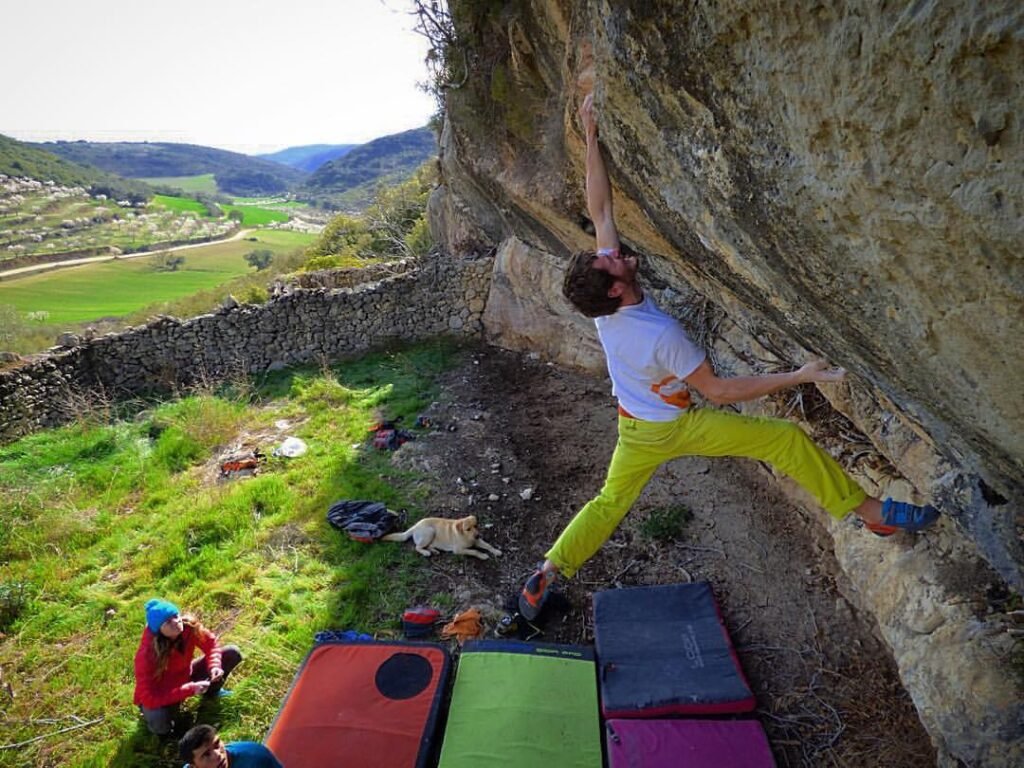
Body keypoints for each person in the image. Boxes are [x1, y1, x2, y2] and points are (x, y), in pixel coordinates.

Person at [519, 93, 939, 620]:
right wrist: (799, 375)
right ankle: (872, 513)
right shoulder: (660, 334)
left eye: (609, 252)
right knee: (784, 440)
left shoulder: (604, 308)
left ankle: (549, 570)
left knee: (608, 502)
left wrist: (591, 136)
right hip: (675, 427)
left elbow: (598, 206)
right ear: (613, 290)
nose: (616, 252)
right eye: (612, 261)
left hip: (634, 429)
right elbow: (718, 391)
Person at [133, 598, 243, 736]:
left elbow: (211, 644)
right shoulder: (146, 655)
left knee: (232, 653)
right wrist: (188, 690)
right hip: (163, 694)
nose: (176, 622)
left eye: (175, 616)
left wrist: (214, 665)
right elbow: (148, 697)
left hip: (186, 676)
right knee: (157, 717)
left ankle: (211, 693)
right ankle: (166, 734)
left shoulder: (189, 627)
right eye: (168, 622)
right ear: (159, 630)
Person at [179, 724, 283, 768]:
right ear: (193, 766)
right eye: (206, 754)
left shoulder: (256, 759)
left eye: (217, 744)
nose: (218, 755)